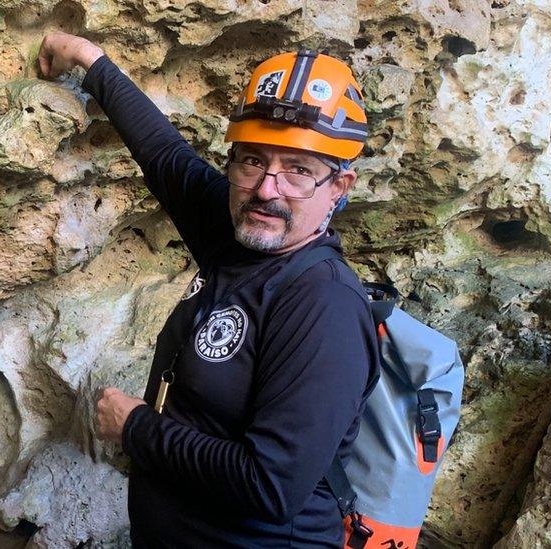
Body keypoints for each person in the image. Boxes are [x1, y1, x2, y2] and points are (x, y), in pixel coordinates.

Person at [38, 32, 380, 547]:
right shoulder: (242, 233)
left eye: (299, 171)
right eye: (252, 160)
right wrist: (91, 62)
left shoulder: (322, 305)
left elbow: (270, 486)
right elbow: (165, 155)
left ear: (339, 187)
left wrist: (136, 428)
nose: (269, 188)